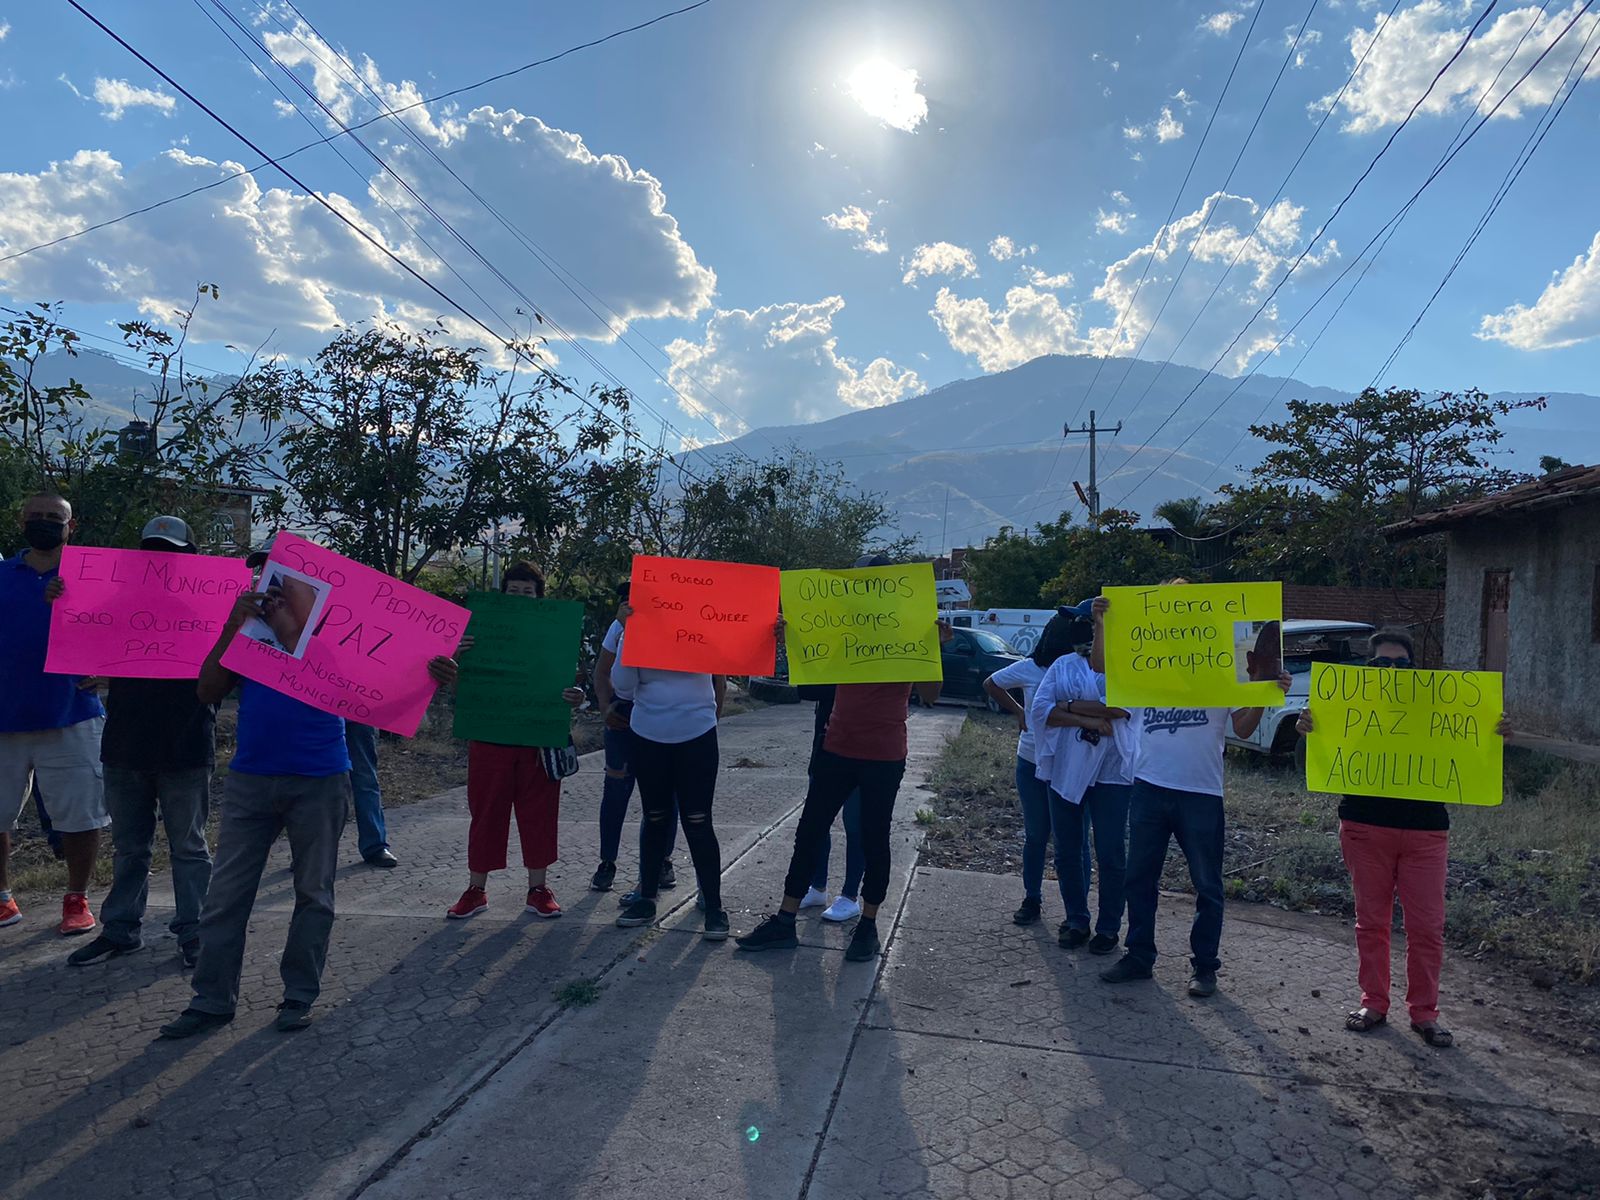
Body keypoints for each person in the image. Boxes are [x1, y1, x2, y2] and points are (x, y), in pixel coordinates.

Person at [159, 577, 458, 1038]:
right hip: (250, 781)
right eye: (270, 591)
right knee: (224, 897)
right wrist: (232, 626)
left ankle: (298, 995)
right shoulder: (250, 639)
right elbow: (206, 691)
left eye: (287, 593)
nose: (275, 601)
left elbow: (387, 703)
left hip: (321, 781)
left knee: (313, 893)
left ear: (316, 604)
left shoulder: (340, 648)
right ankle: (211, 1000)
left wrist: (429, 679)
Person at [1295, 629, 1510, 1049]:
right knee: (1370, 923)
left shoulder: (1439, 709)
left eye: (1401, 664)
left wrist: (1494, 733)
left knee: (1427, 927)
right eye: (1381, 664)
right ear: (1368, 668)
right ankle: (1373, 1003)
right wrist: (1309, 733)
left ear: (1414, 669)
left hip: (1426, 830)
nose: (1391, 671)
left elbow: (1473, 760)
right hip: (1364, 826)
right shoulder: (1346, 706)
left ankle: (1424, 1014)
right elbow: (1317, 767)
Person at [1097, 587, 1290, 997]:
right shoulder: (1144, 661)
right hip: (1149, 786)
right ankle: (1138, 956)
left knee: (1207, 884)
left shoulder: (1224, 664)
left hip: (1200, 792)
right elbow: (1101, 665)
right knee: (1139, 878)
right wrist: (1101, 623)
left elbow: (1242, 728)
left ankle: (1205, 968)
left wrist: (1265, 689)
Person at [737, 610, 953, 963]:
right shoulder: (844, 630)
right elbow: (812, 674)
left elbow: (930, 695)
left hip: (883, 755)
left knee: (874, 837)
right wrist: (791, 636)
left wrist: (934, 649)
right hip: (837, 746)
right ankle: (785, 920)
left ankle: (867, 926)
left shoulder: (912, 634)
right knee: (809, 832)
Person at [54, 516, 217, 968]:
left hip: (186, 746)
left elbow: (229, 675)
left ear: (191, 558)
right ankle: (121, 930)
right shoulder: (115, 605)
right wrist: (61, 601)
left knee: (189, 847)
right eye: (152, 551)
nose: (160, 560)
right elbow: (78, 641)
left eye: (170, 552)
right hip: (125, 746)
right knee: (130, 848)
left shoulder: (212, 609)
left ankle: (195, 932)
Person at [446, 562, 586, 920]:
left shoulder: (556, 634)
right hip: (490, 738)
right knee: (486, 813)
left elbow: (570, 686)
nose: (522, 598)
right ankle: (476, 890)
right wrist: (459, 657)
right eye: (514, 591)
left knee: (539, 814)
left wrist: (576, 696)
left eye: (529, 592)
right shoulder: (481, 634)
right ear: (502, 594)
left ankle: (538, 889)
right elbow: (459, 689)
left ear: (539, 597)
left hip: (538, 740)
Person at [246, 537, 395, 868]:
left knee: (363, 774)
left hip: (350, 703)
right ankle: (307, 850)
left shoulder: (335, 607)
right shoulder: (255, 615)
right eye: (264, 565)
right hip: (300, 717)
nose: (270, 572)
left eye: (278, 563)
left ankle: (374, 843)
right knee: (300, 779)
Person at [0, 493, 108, 935]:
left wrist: (109, 673)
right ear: (21, 522)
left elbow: (125, 631)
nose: (44, 523)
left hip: (72, 714)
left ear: (71, 526)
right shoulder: (2, 575)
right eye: (36, 517)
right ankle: (3, 898)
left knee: (81, 816)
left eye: (54, 518)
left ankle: (76, 899)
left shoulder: (94, 579)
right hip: (4, 719)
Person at [609, 595, 730, 939]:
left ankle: (714, 905)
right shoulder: (636, 631)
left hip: (698, 736)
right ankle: (646, 897)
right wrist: (624, 632)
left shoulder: (704, 629)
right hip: (648, 736)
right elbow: (623, 687)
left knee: (698, 819)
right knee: (655, 816)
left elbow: (736, 648)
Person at [1031, 602, 1136, 954]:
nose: (1090, 633)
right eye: (1088, 626)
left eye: (1097, 626)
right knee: (1067, 849)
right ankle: (1076, 919)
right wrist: (1087, 719)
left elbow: (1121, 708)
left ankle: (1108, 927)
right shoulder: (1063, 666)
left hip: (1112, 772)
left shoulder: (1126, 669)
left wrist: (1070, 705)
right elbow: (1042, 711)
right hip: (1066, 769)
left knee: (1110, 851)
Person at [982, 611, 1089, 928]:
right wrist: (1019, 712)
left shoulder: (1084, 668)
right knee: (1036, 834)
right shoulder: (1031, 668)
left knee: (1076, 839)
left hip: (1072, 764)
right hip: (1031, 760)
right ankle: (1032, 898)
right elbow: (991, 683)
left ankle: (1078, 910)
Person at [590, 581, 677, 894]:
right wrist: (604, 707)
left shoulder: (677, 626)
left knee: (666, 795)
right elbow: (601, 672)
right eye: (625, 599)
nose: (630, 604)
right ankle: (607, 863)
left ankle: (663, 861)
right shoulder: (618, 628)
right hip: (623, 717)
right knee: (616, 791)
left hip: (661, 715)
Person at [794, 684, 865, 924]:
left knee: (855, 823)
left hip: (864, 750)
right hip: (826, 745)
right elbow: (806, 689)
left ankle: (850, 896)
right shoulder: (831, 651)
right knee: (818, 823)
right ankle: (817, 887)